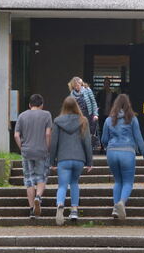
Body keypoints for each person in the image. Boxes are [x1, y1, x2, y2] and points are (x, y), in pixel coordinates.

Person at [101, 94, 144, 220]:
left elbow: (104, 139)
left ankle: (115, 208)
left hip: (112, 152)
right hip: (127, 152)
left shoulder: (108, 120)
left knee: (118, 181)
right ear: (128, 105)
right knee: (128, 182)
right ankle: (121, 203)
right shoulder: (132, 119)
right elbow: (138, 138)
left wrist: (109, 148)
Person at [49, 96, 93, 226]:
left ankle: (60, 204)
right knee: (74, 183)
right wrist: (90, 161)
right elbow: (87, 142)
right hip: (79, 158)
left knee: (62, 185)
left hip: (63, 158)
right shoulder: (83, 120)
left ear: (64, 106)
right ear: (76, 106)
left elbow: (54, 142)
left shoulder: (57, 121)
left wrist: (52, 161)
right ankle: (74, 210)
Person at [14, 94, 52, 219]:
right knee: (41, 177)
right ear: (42, 105)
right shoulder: (46, 115)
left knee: (29, 180)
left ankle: (31, 209)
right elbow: (47, 134)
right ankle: (38, 197)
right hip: (41, 151)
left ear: (29, 105)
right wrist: (47, 148)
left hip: (27, 151)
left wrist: (22, 148)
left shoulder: (22, 116)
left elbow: (16, 135)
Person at [68, 76, 99, 149]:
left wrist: (95, 114)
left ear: (81, 84)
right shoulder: (72, 94)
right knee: (79, 134)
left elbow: (93, 103)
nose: (77, 87)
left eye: (78, 85)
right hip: (77, 116)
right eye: (75, 86)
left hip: (88, 114)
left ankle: (88, 148)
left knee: (88, 133)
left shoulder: (87, 90)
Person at [96, 77, 118, 144]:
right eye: (105, 83)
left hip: (110, 114)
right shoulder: (100, 93)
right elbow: (96, 102)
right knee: (102, 129)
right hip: (102, 114)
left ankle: (109, 143)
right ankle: (102, 145)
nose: (106, 85)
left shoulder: (113, 94)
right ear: (103, 84)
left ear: (109, 84)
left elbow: (115, 103)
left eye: (107, 83)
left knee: (110, 129)